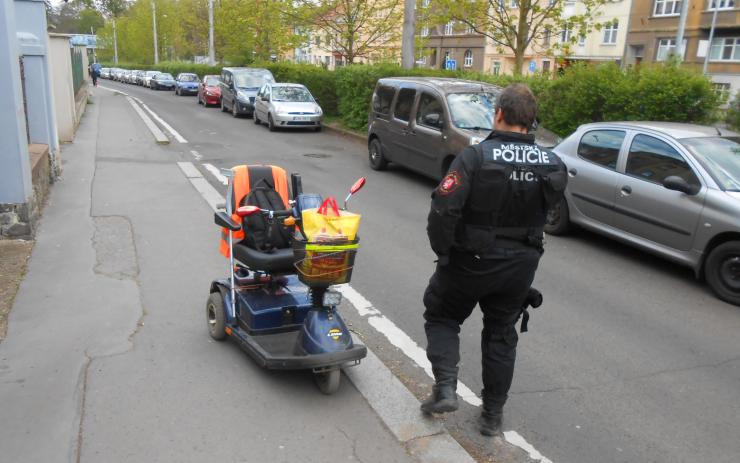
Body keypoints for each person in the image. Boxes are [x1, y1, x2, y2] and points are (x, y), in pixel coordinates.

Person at [421, 84, 567, 436]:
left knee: (441, 315)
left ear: (498, 114)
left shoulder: (476, 157)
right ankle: (492, 416)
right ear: (531, 120)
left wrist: (444, 252)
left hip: (470, 260)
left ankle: (444, 388)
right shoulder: (552, 163)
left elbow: (444, 208)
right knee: (502, 335)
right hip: (520, 265)